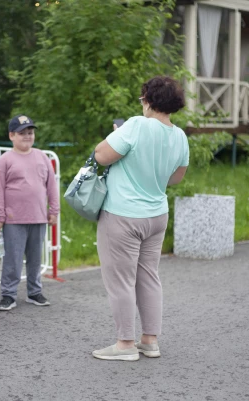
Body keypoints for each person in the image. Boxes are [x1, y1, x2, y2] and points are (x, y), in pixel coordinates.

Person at [91, 76, 189, 361]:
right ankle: (150, 340)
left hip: (123, 214)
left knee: (121, 280)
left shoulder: (135, 125)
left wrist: (115, 135)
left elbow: (101, 155)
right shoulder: (180, 136)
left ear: (148, 99)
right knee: (149, 277)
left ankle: (124, 345)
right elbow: (177, 177)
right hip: (157, 215)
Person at [0, 114, 59, 311]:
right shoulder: (5, 160)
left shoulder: (42, 157)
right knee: (12, 258)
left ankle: (34, 291)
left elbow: (52, 186)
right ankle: (8, 294)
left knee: (35, 257)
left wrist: (53, 210)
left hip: (38, 216)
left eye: (30, 133)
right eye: (22, 133)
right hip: (13, 219)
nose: (27, 136)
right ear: (11, 135)